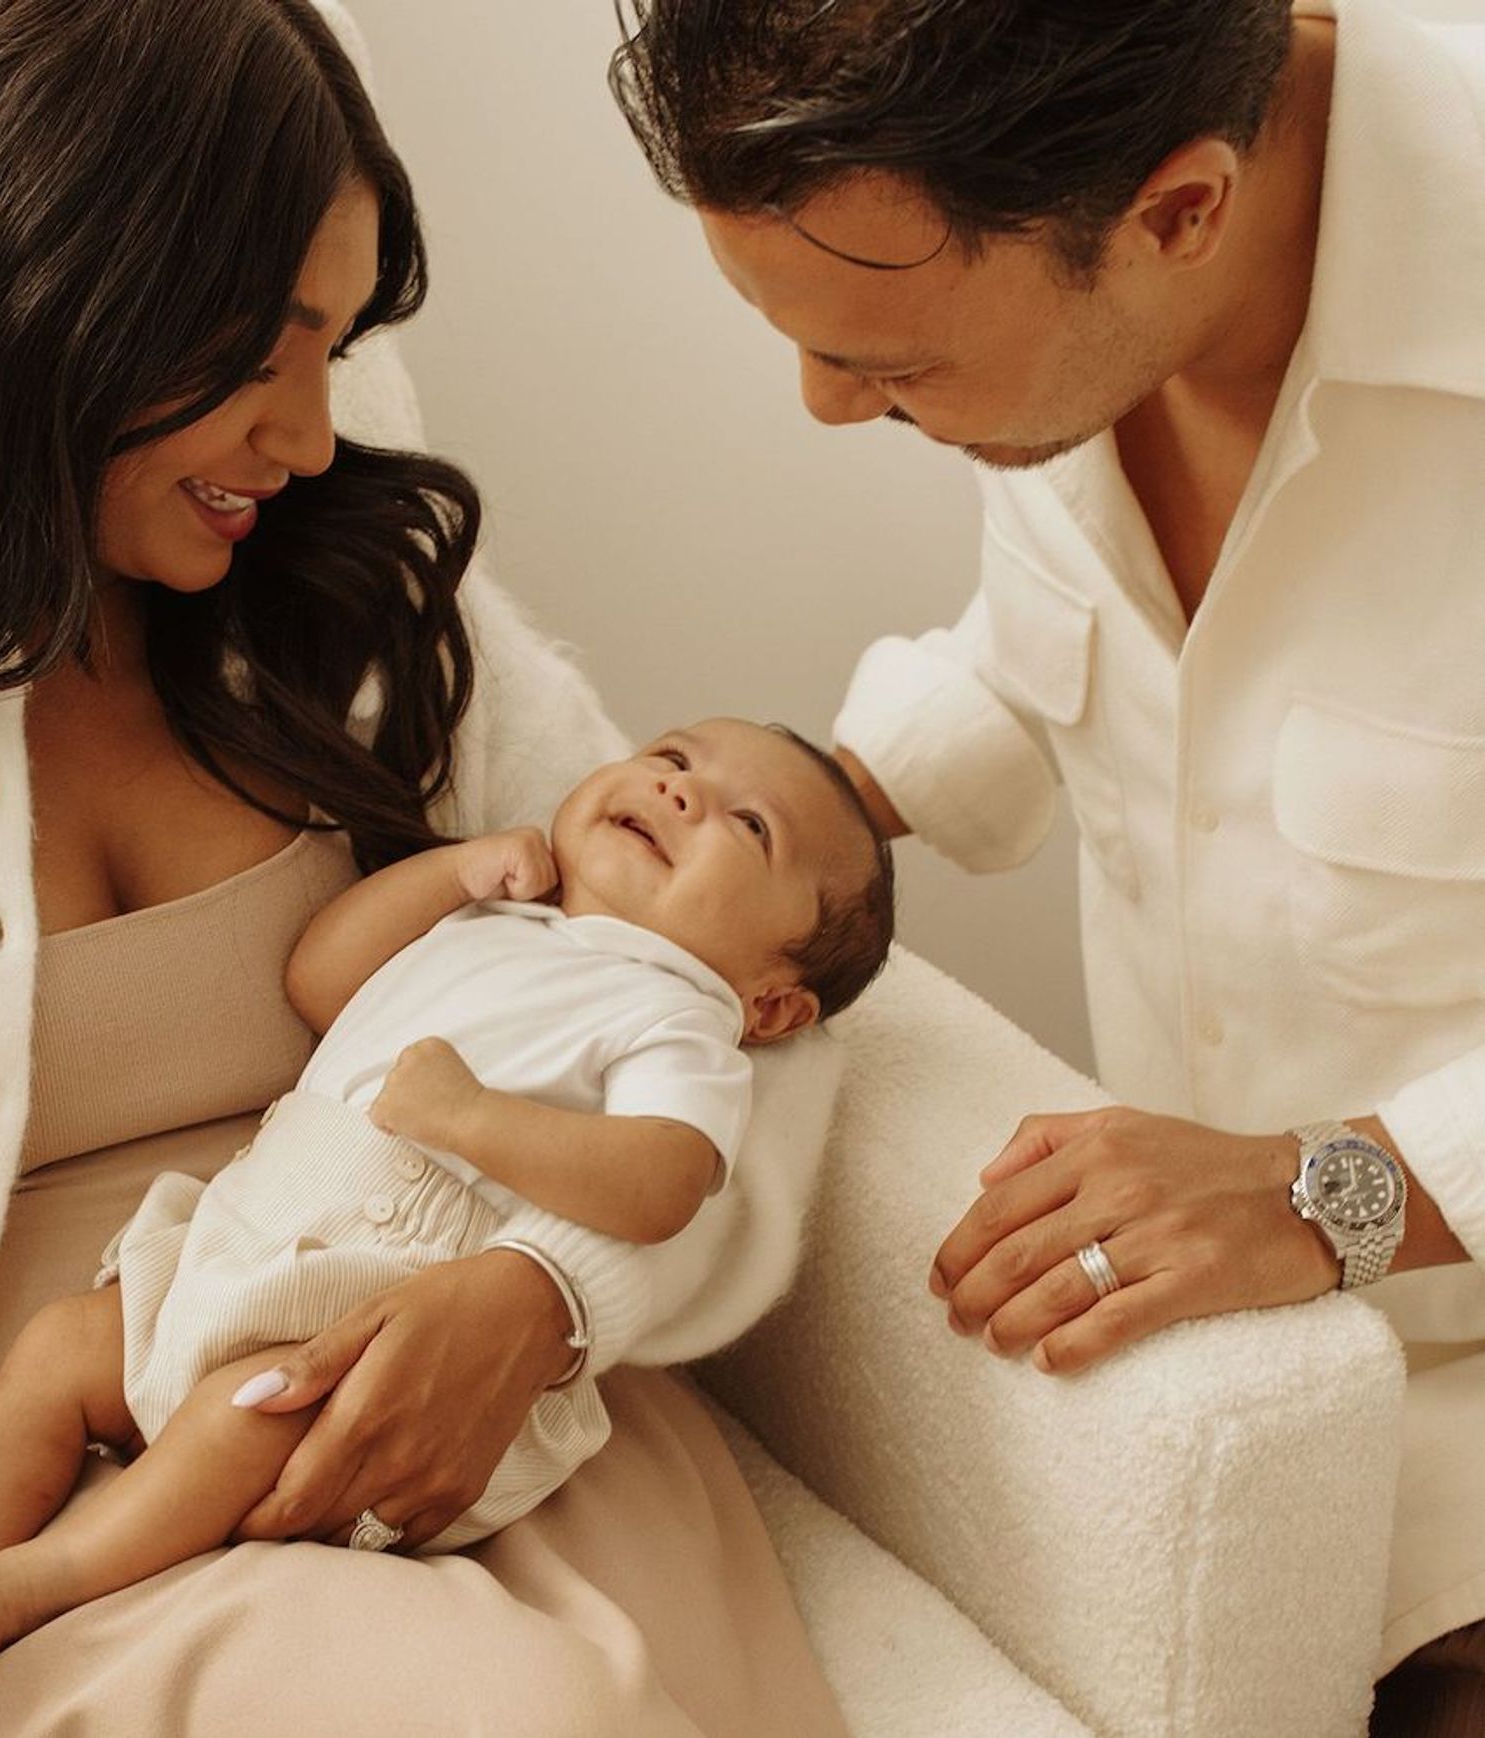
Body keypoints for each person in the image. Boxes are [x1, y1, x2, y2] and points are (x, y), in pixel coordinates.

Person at [0, 2, 856, 1732]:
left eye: (337, 351)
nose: (311, 437)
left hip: (450, 1416)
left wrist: (552, 1298)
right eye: (264, 352)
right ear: (57, 288)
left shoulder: (355, 609)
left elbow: (739, 1001)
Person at [611, 0, 1485, 1728]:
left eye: (895, 364)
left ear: (1180, 211)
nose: (826, 405)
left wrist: (1326, 1191)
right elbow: (1067, 652)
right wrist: (780, 820)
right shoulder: (1070, 263)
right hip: (1242, 1439)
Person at [0, 717, 893, 1699]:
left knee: (240, 1420)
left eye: (748, 825)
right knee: (58, 1350)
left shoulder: (679, 1020)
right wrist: (452, 874)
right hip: (256, 1231)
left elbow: (662, 1183)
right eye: (673, 756)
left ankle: (32, 1586)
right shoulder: (501, 919)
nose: (680, 792)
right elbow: (322, 978)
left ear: (773, 1004)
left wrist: (473, 1119)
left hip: (388, 1308)